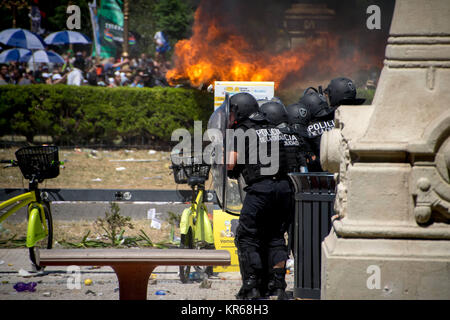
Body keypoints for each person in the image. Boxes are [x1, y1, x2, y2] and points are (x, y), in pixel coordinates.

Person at [227, 93, 302, 300]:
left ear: (240, 110)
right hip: (284, 189)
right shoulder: (274, 128)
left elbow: (230, 164)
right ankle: (277, 285)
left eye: (233, 110)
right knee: (276, 237)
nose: (232, 115)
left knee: (247, 236)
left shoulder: (242, 130)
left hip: (260, 189)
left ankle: (251, 286)